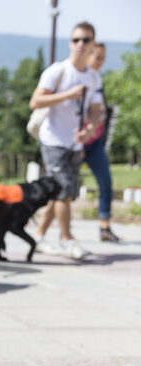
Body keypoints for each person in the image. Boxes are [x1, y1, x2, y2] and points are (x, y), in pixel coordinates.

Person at [30, 21, 104, 259]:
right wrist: (67, 95)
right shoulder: (57, 71)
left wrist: (89, 128)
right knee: (64, 191)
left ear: (93, 43)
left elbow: (95, 109)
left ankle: (38, 237)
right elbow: (35, 102)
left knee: (59, 192)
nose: (80, 44)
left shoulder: (93, 78)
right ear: (70, 43)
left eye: (85, 40)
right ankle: (67, 240)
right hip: (53, 140)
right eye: (76, 40)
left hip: (75, 142)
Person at [83, 42, 121, 242]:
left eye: (103, 58)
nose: (101, 62)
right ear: (87, 56)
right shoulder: (81, 79)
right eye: (97, 57)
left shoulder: (97, 79)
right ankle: (43, 231)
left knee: (106, 184)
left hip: (95, 141)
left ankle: (104, 228)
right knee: (63, 188)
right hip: (79, 141)